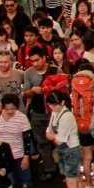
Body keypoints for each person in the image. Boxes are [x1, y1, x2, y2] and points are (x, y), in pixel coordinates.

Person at [44, 91, 90, 188]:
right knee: (75, 182)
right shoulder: (56, 113)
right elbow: (49, 133)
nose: (53, 108)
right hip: (65, 151)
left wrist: (51, 135)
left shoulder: (67, 116)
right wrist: (52, 135)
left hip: (71, 152)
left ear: (62, 103)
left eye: (55, 105)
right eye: (51, 105)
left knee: (71, 185)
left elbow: (58, 140)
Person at [22, 47, 59, 181]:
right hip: (37, 113)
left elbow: (62, 88)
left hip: (54, 112)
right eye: (32, 61)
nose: (35, 63)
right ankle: (50, 168)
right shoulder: (28, 73)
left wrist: (45, 89)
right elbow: (25, 93)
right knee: (42, 143)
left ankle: (66, 167)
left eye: (37, 60)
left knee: (61, 140)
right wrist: (32, 90)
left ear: (44, 57)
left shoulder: (55, 70)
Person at [0, 93, 33, 188]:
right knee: (9, 181)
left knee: (23, 180)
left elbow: (27, 139)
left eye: (13, 108)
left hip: (19, 154)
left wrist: (26, 156)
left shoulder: (22, 118)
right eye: (7, 109)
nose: (10, 111)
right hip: (3, 156)